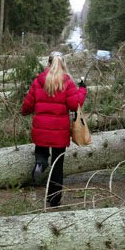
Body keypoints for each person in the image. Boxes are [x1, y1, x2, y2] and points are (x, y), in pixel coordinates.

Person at [21, 51, 86, 207]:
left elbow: (27, 106)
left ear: (48, 63)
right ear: (63, 64)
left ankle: (40, 165)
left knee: (41, 152)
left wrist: (25, 112)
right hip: (59, 132)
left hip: (41, 129)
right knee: (58, 165)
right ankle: (54, 199)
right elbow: (73, 105)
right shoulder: (67, 82)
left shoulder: (38, 81)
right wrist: (82, 89)